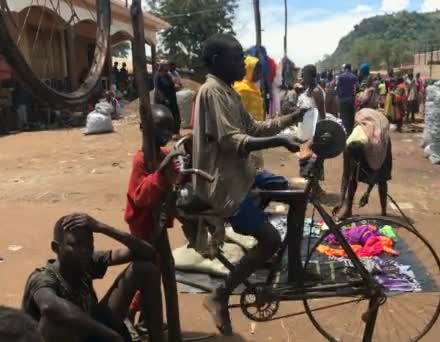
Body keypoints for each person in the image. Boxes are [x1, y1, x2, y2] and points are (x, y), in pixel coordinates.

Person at [192, 34, 307, 335]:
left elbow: (254, 128)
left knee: (299, 192)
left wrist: (290, 119)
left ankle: (294, 270)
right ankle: (220, 293)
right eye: (237, 57)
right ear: (218, 61)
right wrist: (279, 140)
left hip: (244, 174)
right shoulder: (212, 92)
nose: (243, 63)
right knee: (270, 241)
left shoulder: (228, 92)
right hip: (226, 186)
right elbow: (233, 142)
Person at [22, 213, 164, 342]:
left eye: (89, 245)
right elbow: (49, 306)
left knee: (144, 269)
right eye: (75, 245)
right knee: (54, 322)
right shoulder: (42, 277)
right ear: (56, 248)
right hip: (69, 335)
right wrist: (109, 334)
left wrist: (102, 228)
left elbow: (148, 252)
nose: (84, 251)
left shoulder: (87, 261)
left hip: (88, 333)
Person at [124, 104, 179, 329]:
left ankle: (147, 318)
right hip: (143, 224)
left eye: (169, 130)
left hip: (159, 222)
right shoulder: (141, 160)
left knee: (164, 266)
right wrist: (161, 175)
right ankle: (129, 311)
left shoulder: (164, 154)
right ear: (145, 130)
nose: (166, 135)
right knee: (149, 269)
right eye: (161, 129)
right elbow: (141, 197)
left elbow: (175, 180)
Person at [335, 108, 392, 220]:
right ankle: (348, 209)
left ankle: (384, 212)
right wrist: (341, 202)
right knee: (353, 176)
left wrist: (367, 193)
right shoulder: (348, 147)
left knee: (382, 179)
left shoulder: (378, 146)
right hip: (366, 130)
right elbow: (346, 175)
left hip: (379, 134)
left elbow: (376, 169)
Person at [154, 64, 181, 137]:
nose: (167, 68)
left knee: (175, 115)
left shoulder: (168, 75)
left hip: (171, 99)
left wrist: (176, 85)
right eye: (165, 66)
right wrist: (164, 99)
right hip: (163, 101)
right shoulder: (158, 76)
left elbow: (174, 85)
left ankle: (175, 132)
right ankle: (165, 133)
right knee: (164, 117)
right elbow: (158, 89)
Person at [337, 64, 358, 135]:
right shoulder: (354, 77)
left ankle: (344, 133)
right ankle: (350, 133)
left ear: (345, 68)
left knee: (343, 117)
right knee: (351, 117)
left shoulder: (341, 76)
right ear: (350, 68)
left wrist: (339, 98)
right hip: (351, 100)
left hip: (343, 100)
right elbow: (355, 89)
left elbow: (338, 89)